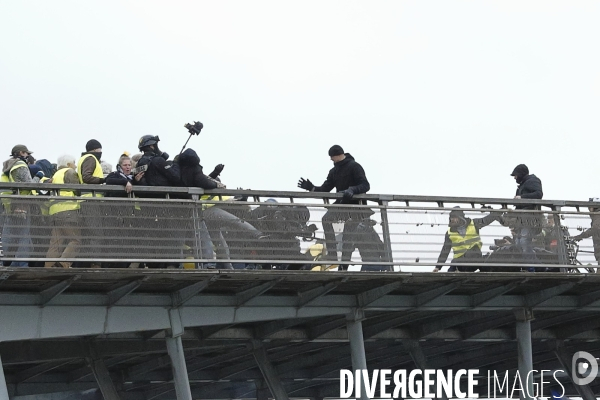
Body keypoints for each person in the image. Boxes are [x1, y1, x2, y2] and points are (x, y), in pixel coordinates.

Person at [298, 145, 371, 265]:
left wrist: (352, 190)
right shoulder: (334, 171)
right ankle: (332, 255)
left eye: (332, 157)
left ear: (338, 155)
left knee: (348, 237)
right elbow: (325, 189)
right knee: (326, 219)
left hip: (355, 206)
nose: (331, 160)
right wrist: (311, 187)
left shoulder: (354, 166)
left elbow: (365, 185)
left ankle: (344, 265)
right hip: (342, 205)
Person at [1, 144, 44, 267]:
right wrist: (39, 176)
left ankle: (3, 263)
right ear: (21, 153)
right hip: (22, 205)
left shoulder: (8, 166)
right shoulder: (20, 164)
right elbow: (29, 184)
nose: (28, 156)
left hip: (10, 206)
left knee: (8, 237)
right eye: (27, 153)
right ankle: (20, 264)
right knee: (24, 237)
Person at [433, 207, 500, 272]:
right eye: (451, 218)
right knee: (450, 273)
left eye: (454, 217)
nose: (452, 219)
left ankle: (460, 271)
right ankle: (457, 272)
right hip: (459, 261)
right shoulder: (449, 233)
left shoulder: (474, 223)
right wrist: (438, 267)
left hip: (474, 257)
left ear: (460, 217)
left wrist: (499, 212)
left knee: (469, 257)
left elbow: (486, 220)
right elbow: (445, 250)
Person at [44, 155, 81, 268]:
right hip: (67, 209)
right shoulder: (69, 172)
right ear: (69, 164)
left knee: (56, 243)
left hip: (54, 211)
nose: (75, 166)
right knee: (76, 240)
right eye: (74, 163)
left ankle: (48, 267)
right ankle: (63, 264)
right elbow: (78, 189)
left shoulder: (55, 175)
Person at [76, 139, 106, 266]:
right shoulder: (91, 158)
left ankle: (87, 263)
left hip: (85, 200)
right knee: (96, 233)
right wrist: (103, 180)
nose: (101, 152)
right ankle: (95, 263)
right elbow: (86, 177)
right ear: (95, 149)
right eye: (99, 149)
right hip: (91, 200)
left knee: (89, 234)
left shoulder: (84, 158)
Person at [510, 164, 543, 270]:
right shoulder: (524, 184)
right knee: (519, 243)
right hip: (523, 220)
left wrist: (522, 197)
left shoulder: (531, 181)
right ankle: (540, 267)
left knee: (524, 243)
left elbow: (539, 194)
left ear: (520, 174)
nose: (515, 178)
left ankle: (532, 269)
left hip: (530, 219)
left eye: (515, 175)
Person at [572, 197, 600, 269]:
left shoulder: (598, 216)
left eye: (590, 207)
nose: (589, 209)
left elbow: (595, 229)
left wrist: (580, 236)